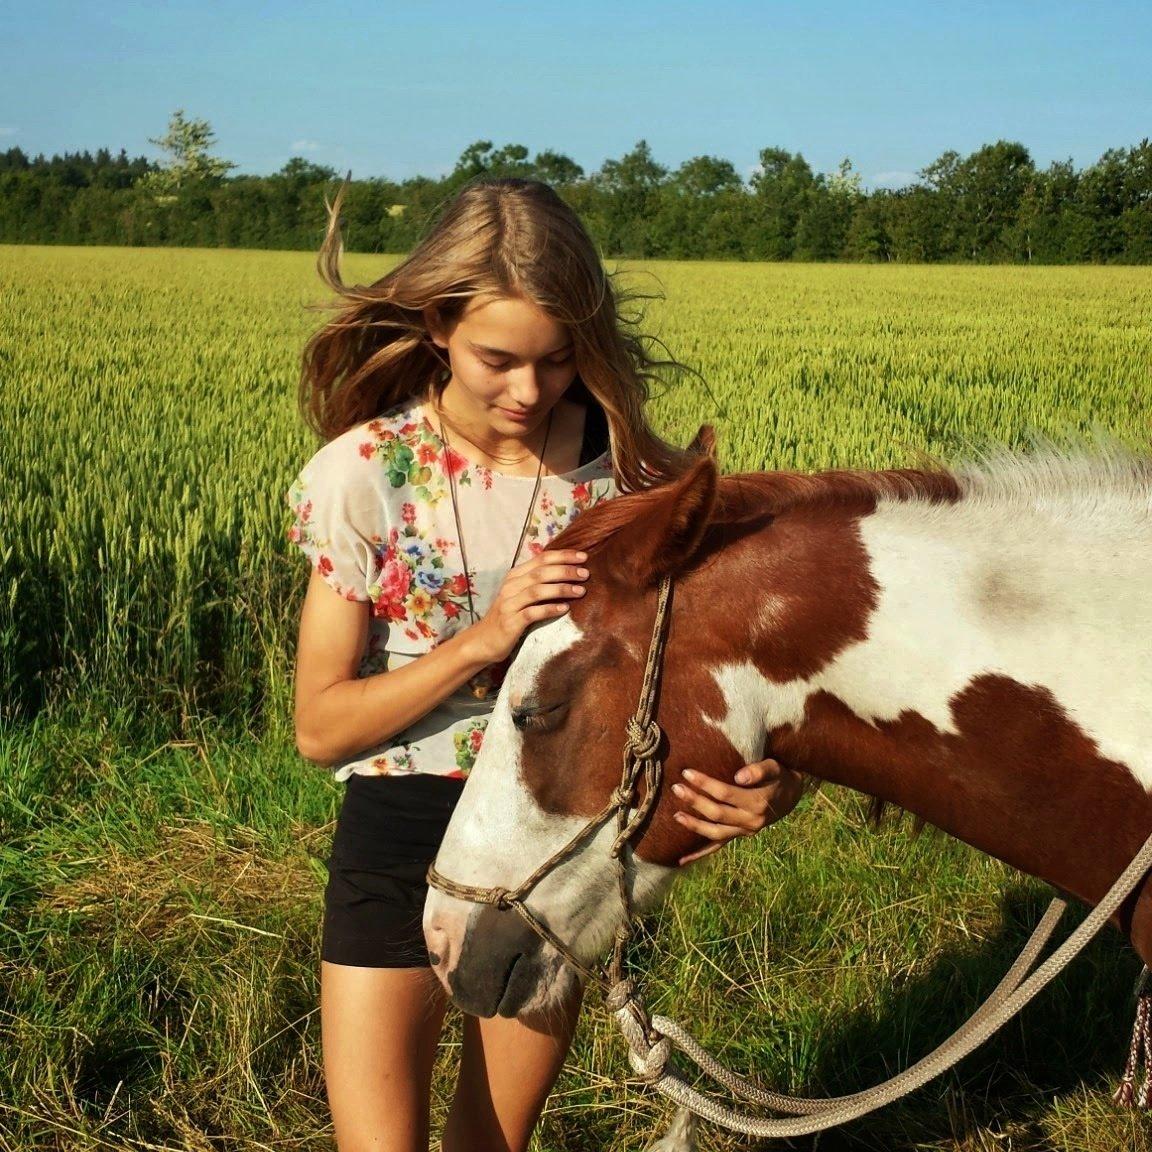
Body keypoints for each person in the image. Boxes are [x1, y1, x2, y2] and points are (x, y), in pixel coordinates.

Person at [288, 178, 804, 1152]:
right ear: (438, 324)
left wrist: (774, 785)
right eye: (499, 359)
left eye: (560, 361)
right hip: (396, 839)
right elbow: (320, 728)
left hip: (551, 843)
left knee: (490, 1147)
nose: (530, 392)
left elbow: (734, 681)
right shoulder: (362, 475)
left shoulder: (631, 479)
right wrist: (485, 642)